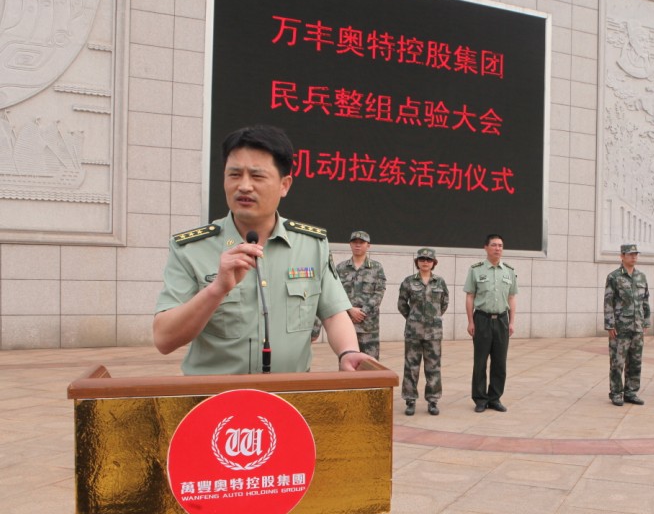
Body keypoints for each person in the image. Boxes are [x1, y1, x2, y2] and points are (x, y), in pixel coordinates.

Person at [153, 124, 369, 375]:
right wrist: (216, 290)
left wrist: (348, 352)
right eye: (234, 175)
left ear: (284, 184)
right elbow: (164, 340)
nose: (244, 186)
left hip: (288, 400)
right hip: (216, 402)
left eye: (257, 176)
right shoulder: (191, 249)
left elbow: (333, 314)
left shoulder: (311, 245)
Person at [464, 234, 518, 413]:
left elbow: (511, 297)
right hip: (482, 319)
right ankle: (480, 399)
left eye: (501, 245)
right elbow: (470, 296)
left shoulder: (509, 271)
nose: (498, 248)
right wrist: (470, 321)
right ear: (485, 247)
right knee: (480, 362)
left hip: (502, 319)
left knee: (500, 362)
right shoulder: (476, 270)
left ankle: (495, 398)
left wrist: (512, 322)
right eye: (494, 245)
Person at [397, 248, 450, 416]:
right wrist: (413, 318)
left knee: (433, 367)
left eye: (428, 259)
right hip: (413, 332)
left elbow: (444, 303)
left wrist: (433, 317)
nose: (425, 262)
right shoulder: (408, 282)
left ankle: (433, 401)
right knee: (411, 366)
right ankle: (410, 400)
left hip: (434, 333)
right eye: (422, 259)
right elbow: (401, 303)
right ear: (417, 262)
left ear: (434, 262)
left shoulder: (439, 282)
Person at [603, 243, 651, 406]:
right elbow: (608, 301)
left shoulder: (641, 277)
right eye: (630, 254)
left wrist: (646, 320)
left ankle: (631, 392)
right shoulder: (614, 277)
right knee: (617, 361)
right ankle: (616, 392)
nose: (634, 257)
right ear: (622, 256)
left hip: (637, 326)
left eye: (635, 254)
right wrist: (610, 324)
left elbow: (645, 300)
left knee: (635, 361)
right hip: (621, 327)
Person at [337, 230, 387, 360]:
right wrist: (350, 309)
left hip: (368, 326)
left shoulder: (376, 268)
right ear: (350, 245)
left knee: (371, 365)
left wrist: (362, 312)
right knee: (348, 364)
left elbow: (379, 292)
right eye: (355, 242)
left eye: (361, 242)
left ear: (368, 245)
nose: (357, 245)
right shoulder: (341, 268)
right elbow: (335, 293)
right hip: (346, 323)